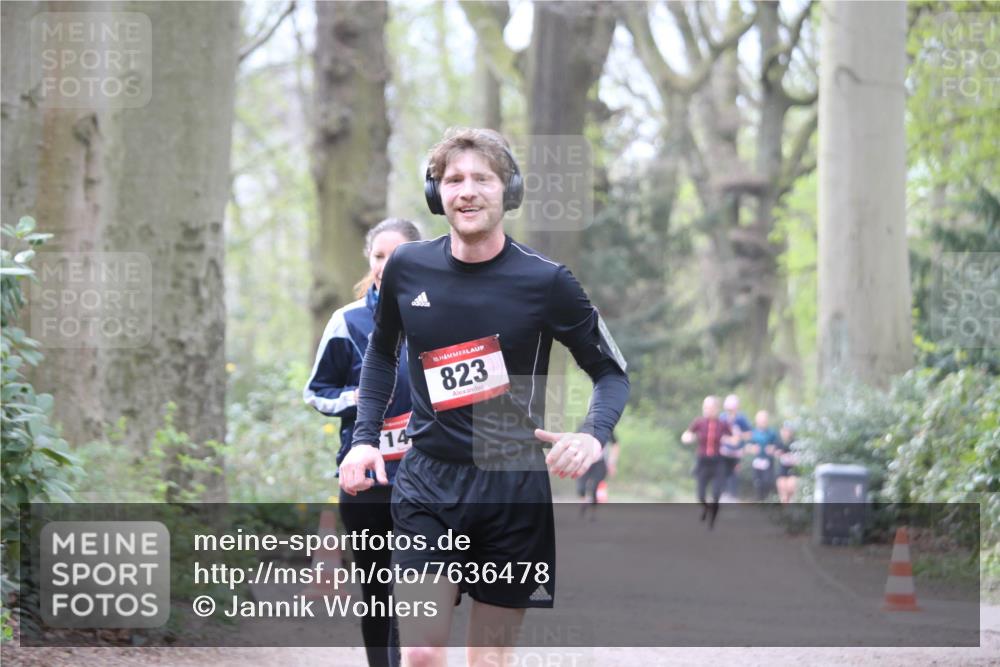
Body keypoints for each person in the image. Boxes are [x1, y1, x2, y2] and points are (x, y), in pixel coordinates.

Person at [339, 128, 629, 667]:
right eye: (453, 180)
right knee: (422, 652)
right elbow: (380, 355)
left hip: (511, 486)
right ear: (436, 195)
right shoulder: (407, 268)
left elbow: (611, 372)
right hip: (428, 480)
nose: (466, 191)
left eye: (481, 179)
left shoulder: (546, 282)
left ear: (507, 190)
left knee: (488, 660)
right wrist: (364, 440)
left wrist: (593, 434)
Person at [304, 217, 421, 667]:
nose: (385, 265)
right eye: (378, 256)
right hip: (366, 479)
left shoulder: (439, 316)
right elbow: (316, 391)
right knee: (377, 591)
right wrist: (361, 398)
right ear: (368, 262)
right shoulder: (346, 321)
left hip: (425, 477)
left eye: (397, 256)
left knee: (425, 585)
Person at [681, 396, 735, 529]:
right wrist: (688, 437)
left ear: (716, 409)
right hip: (703, 461)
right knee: (700, 495)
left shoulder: (723, 424)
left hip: (718, 462)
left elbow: (734, 439)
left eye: (710, 408)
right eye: (705, 407)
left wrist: (730, 441)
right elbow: (686, 435)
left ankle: (712, 522)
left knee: (716, 494)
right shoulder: (699, 422)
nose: (707, 410)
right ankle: (706, 507)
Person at [576, 430, 620, 519]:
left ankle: (593, 512)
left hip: (600, 463)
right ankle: (584, 503)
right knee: (581, 488)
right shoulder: (584, 426)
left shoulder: (606, 427)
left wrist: (612, 463)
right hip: (585, 460)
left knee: (594, 488)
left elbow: (615, 444)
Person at [719, 394, 751, 499]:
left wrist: (739, 435)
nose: (731, 410)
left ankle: (733, 496)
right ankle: (722, 495)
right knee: (722, 472)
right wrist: (727, 439)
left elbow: (749, 434)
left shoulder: (741, 418)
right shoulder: (722, 417)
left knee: (734, 474)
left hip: (736, 452)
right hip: (724, 451)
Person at [746, 410, 780, 501]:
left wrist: (772, 449)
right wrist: (752, 448)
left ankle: (767, 499)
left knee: (767, 481)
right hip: (757, 461)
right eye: (760, 420)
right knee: (757, 482)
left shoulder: (772, 433)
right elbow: (747, 446)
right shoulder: (753, 433)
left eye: (764, 420)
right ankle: (759, 499)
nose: (762, 422)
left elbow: (777, 446)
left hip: (768, 462)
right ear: (757, 421)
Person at [775, 421, 800, 504]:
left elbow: (798, 459)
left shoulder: (796, 442)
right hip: (782, 470)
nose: (786, 433)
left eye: (788, 431)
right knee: (783, 490)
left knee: (791, 487)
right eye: (784, 430)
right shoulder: (778, 442)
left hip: (793, 470)